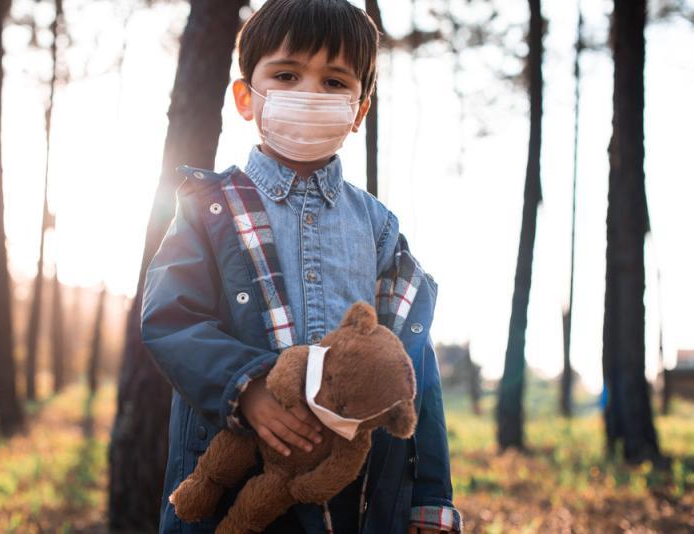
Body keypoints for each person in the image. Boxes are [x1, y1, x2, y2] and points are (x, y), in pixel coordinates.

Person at [141, 1, 462, 532]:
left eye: (335, 82)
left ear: (359, 110)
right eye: (287, 75)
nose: (310, 94)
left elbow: (411, 369)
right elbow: (171, 319)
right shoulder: (210, 208)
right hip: (236, 484)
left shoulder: (379, 227)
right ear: (246, 97)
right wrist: (250, 388)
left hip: (352, 498)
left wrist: (431, 495)